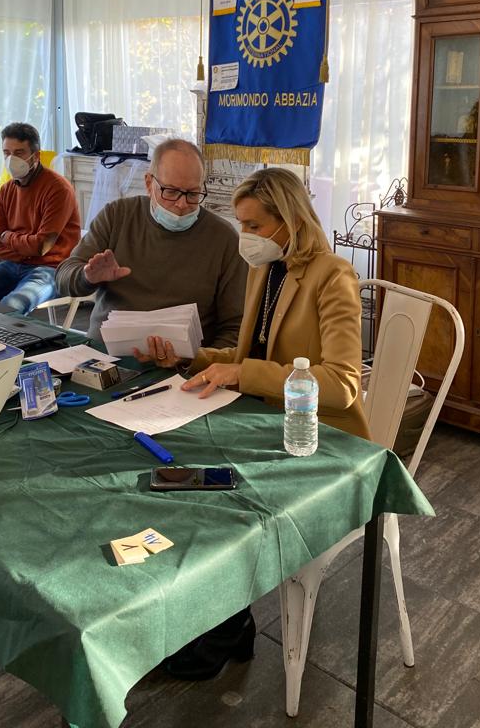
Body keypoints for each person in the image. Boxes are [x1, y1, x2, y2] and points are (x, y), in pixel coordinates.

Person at [157, 166, 369, 681]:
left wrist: (243, 373)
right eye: (241, 224)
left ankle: (224, 627)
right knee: (177, 478)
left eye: (253, 225)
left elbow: (342, 383)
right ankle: (218, 617)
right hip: (262, 419)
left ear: (290, 221)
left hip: (319, 440)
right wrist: (189, 357)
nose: (245, 236)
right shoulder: (265, 268)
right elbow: (248, 355)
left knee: (217, 499)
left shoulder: (333, 276)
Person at [55, 138, 246, 349]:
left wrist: (201, 362)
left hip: (184, 362)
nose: (181, 204)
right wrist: (87, 277)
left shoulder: (223, 238)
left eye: (192, 194)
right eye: (170, 192)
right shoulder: (117, 216)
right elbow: (63, 277)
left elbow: (235, 327)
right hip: (106, 355)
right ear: (149, 183)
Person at [0, 122, 81, 314]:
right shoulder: (7, 190)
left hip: (51, 268)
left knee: (10, 307)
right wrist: (26, 251)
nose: (11, 159)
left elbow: (41, 246)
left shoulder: (58, 189)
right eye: (6, 153)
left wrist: (8, 237)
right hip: (13, 265)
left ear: (36, 156)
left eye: (19, 153)